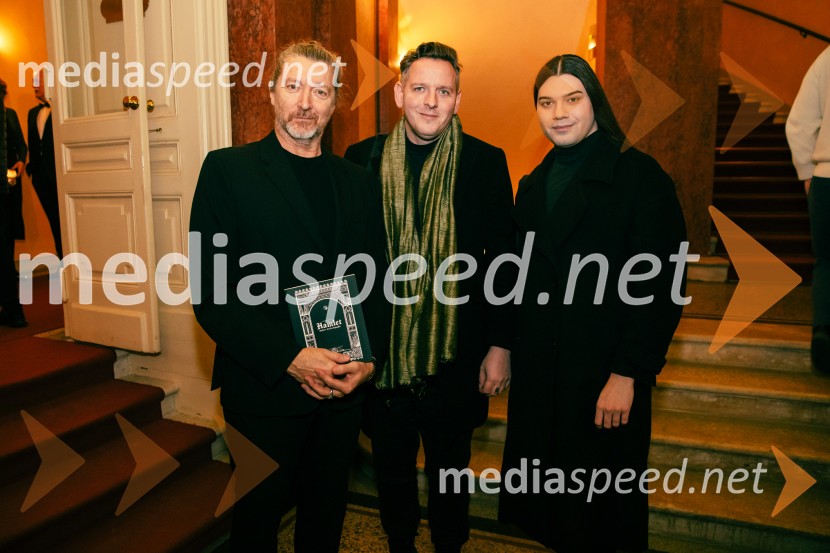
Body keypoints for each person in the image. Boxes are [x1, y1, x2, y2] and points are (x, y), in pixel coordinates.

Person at [190, 41, 387, 552]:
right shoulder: (225, 171)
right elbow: (211, 294)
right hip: (264, 388)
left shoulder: (360, 183)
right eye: (294, 85)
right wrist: (291, 358)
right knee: (256, 526)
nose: (306, 102)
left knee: (324, 522)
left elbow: (378, 285)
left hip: (341, 391)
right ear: (271, 93)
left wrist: (369, 361)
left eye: (320, 90)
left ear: (335, 102)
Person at [498, 54, 686, 553]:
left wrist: (629, 373)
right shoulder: (532, 185)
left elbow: (663, 288)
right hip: (543, 378)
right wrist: (503, 345)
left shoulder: (640, 176)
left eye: (572, 98)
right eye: (546, 102)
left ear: (594, 103)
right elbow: (517, 279)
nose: (558, 112)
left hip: (604, 380)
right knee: (553, 515)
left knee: (604, 519)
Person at [345, 42, 516, 553]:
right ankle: (400, 544)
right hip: (384, 355)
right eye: (419, 88)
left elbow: (506, 263)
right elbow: (348, 260)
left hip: (456, 354)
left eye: (443, 90)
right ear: (399, 92)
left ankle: (449, 544)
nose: (430, 101)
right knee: (392, 471)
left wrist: (501, 346)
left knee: (450, 474)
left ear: (458, 99)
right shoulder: (362, 159)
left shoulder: (485, 162)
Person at [786, 45, 830, 375]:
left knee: (827, 261)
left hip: (827, 177)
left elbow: (799, 123)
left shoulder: (827, 58)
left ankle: (824, 333)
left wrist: (807, 173)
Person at [0, 77, 29, 328]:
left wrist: (20, 162)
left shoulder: (9, 115)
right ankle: (12, 309)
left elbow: (21, 144)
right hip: (5, 190)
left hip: (9, 189)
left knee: (5, 249)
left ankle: (12, 309)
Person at [26, 71, 62, 258]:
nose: (34, 85)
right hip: (40, 178)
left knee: (65, 221)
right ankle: (61, 259)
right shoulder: (32, 113)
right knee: (54, 222)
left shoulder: (62, 111)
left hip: (59, 176)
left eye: (38, 81)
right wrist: (31, 169)